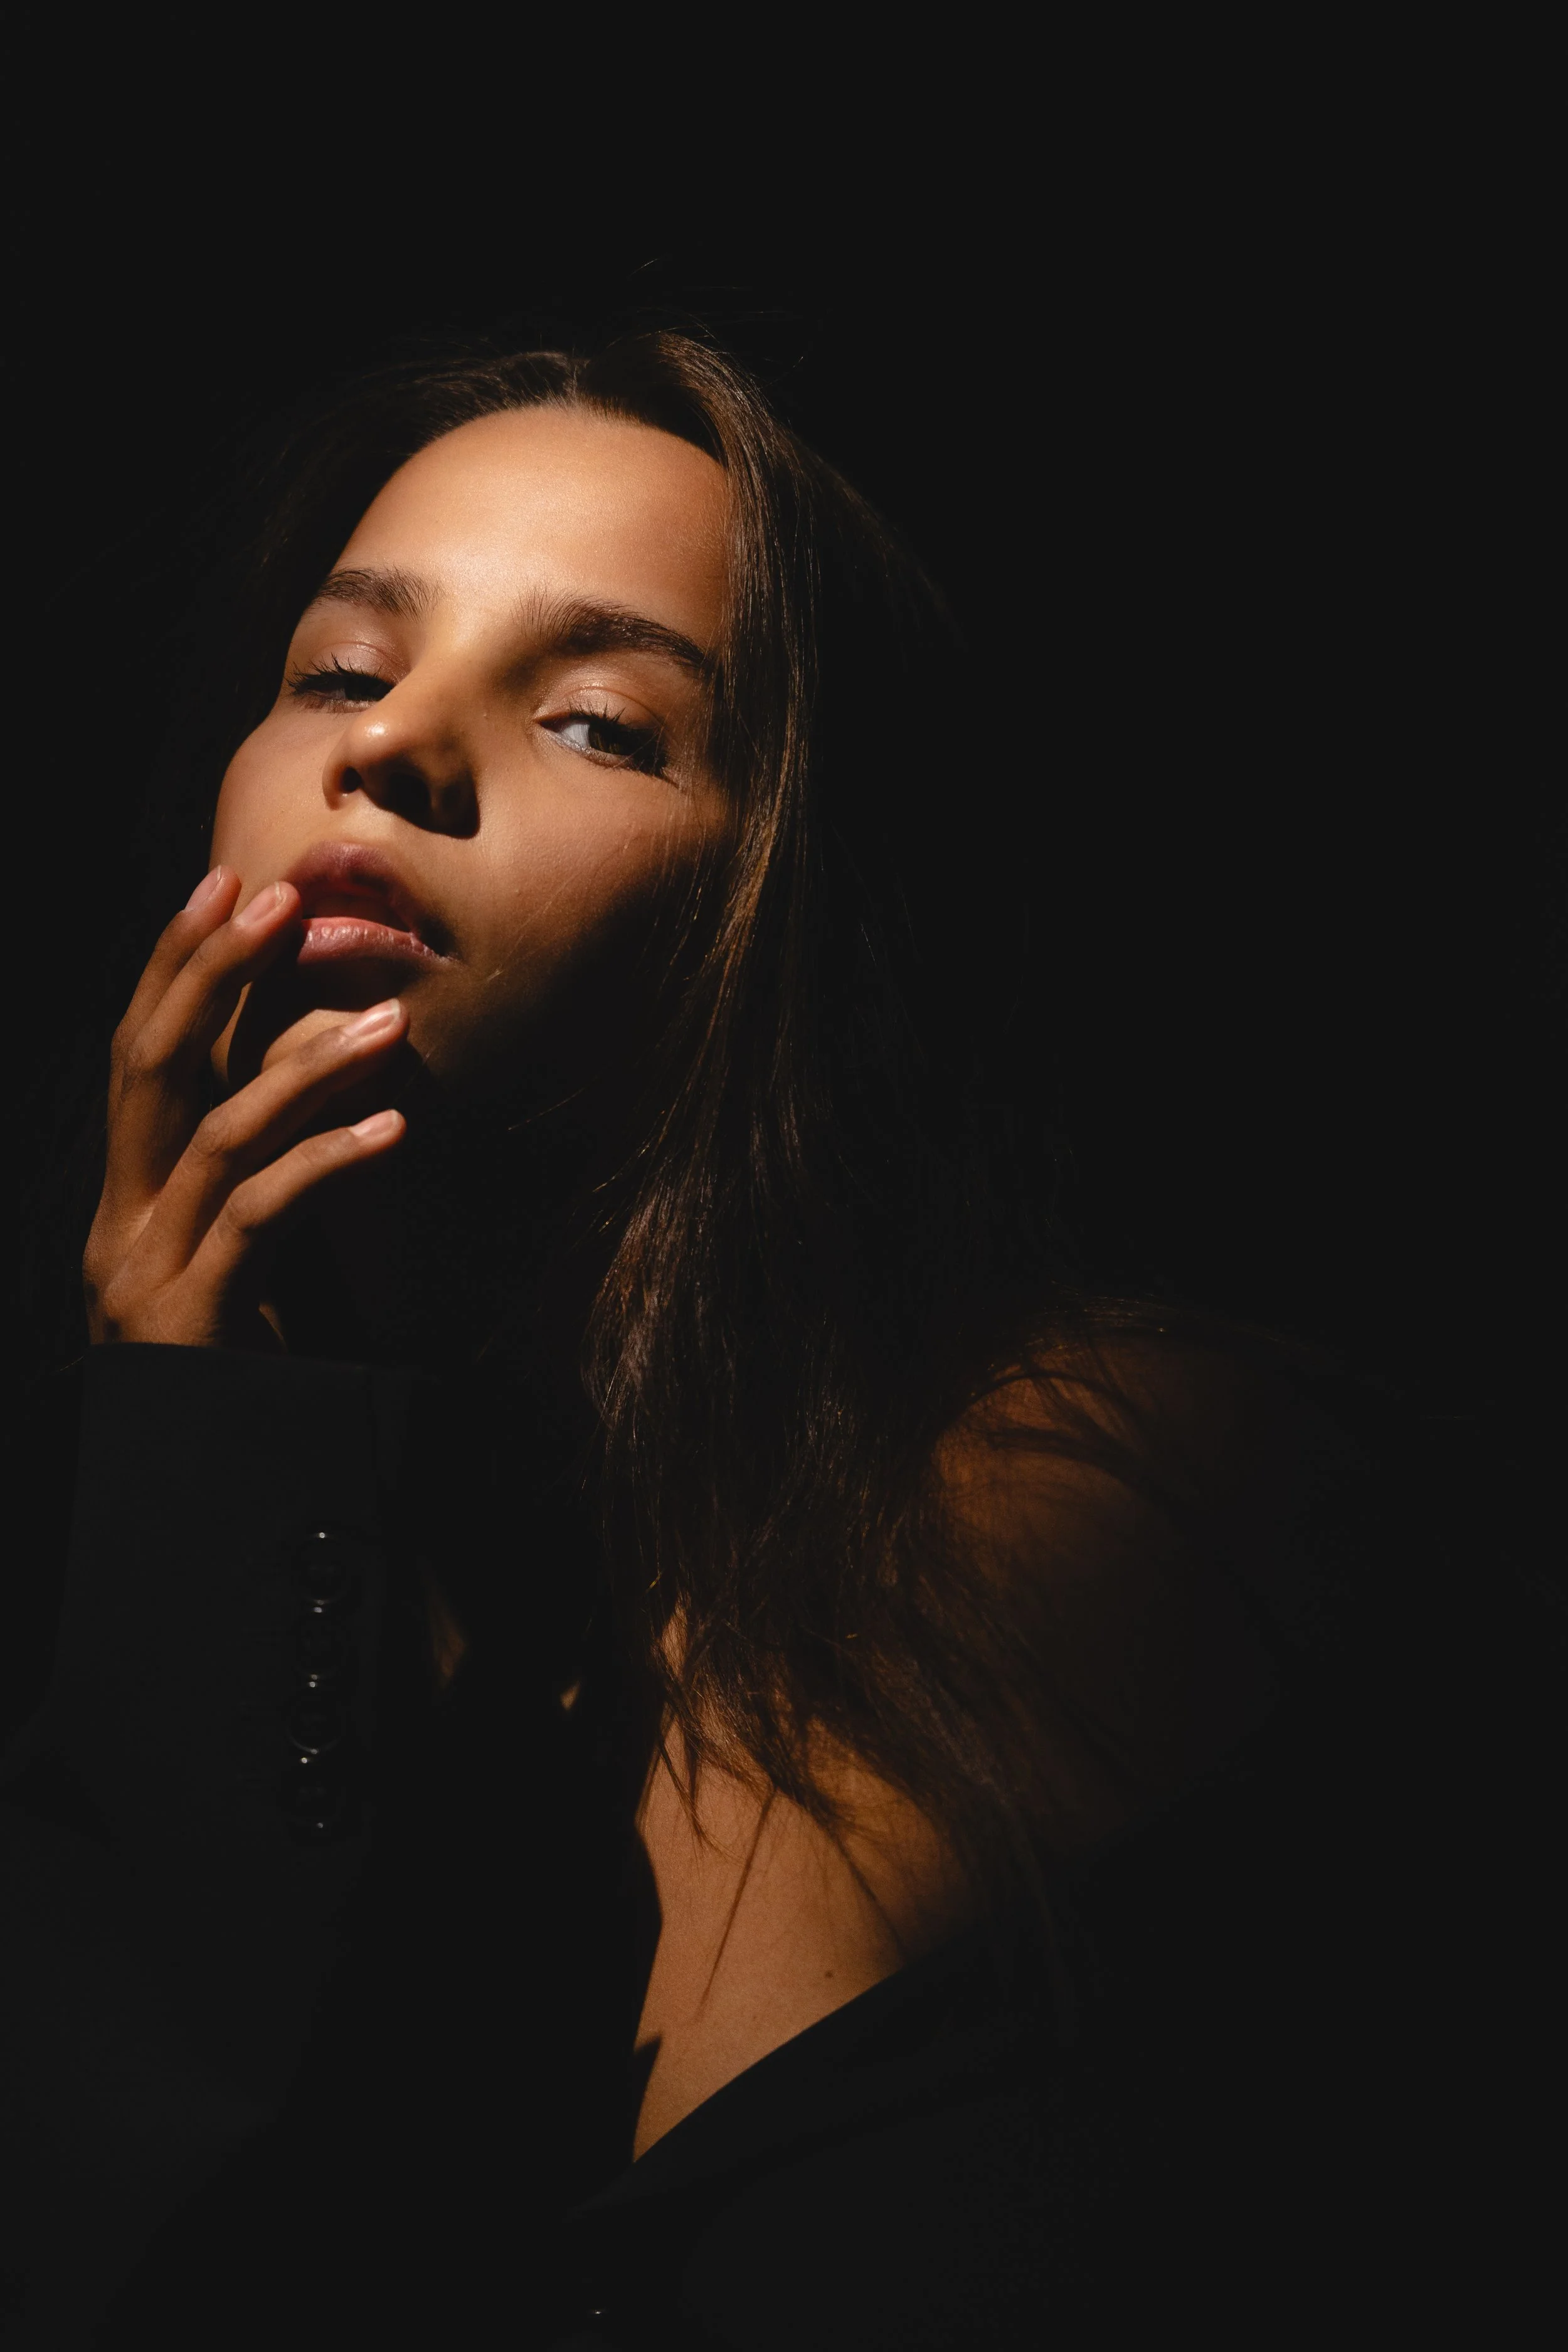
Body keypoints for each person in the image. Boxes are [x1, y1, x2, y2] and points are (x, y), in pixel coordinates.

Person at [3, 332, 1557, 2349]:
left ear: (804, 909)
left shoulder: (1154, 1502)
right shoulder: (254, 1557)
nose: (390, 745)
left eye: (599, 723)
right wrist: (209, 1459)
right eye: (340, 670)